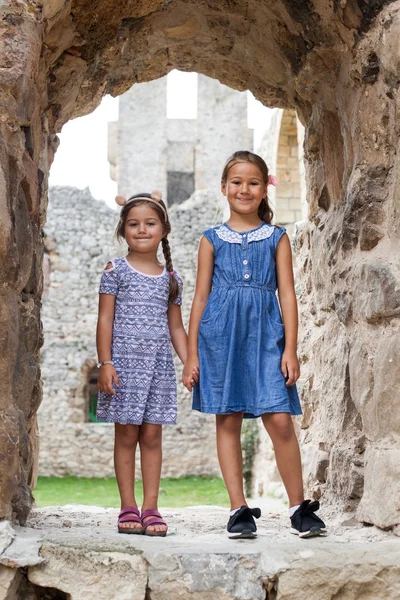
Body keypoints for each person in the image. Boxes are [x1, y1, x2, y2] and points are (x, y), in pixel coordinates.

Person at [182, 151, 327, 539]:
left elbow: (289, 295)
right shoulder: (210, 239)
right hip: (220, 337)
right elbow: (199, 298)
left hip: (266, 335)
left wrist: (290, 348)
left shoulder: (277, 238)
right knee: (227, 417)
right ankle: (238, 510)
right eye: (237, 182)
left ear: (264, 188)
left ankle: (298, 508)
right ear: (224, 188)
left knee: (279, 418)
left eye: (253, 182)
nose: (244, 189)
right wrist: (192, 353)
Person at [96, 191, 192, 536]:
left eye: (150, 223)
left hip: (157, 369)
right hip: (123, 367)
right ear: (124, 230)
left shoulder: (171, 280)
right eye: (133, 224)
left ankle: (151, 507)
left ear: (163, 229)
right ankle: (127, 506)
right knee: (126, 435)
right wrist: (105, 363)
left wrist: (189, 361)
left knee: (151, 435)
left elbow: (176, 327)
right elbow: (105, 320)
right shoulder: (115, 270)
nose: (141, 229)